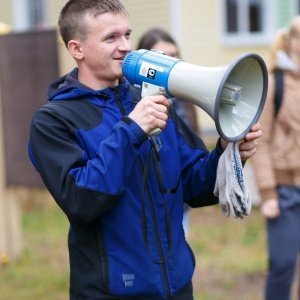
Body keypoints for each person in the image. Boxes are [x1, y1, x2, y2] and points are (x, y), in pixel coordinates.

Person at [28, 1, 262, 299]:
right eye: (110, 38)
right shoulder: (53, 120)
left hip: (177, 287)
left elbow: (193, 186)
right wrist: (132, 130)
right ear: (77, 49)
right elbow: (80, 202)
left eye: (127, 34)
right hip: (110, 292)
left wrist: (226, 153)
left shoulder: (150, 99)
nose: (126, 46)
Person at [252, 15, 300, 300]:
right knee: (282, 264)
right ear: (292, 42)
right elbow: (262, 139)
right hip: (284, 193)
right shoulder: (274, 82)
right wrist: (268, 193)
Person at [136, 27, 201, 237]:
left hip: (179, 197)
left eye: (174, 54)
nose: (172, 61)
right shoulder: (137, 103)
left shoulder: (184, 99)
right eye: (164, 56)